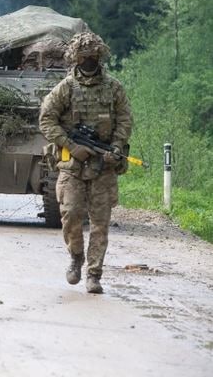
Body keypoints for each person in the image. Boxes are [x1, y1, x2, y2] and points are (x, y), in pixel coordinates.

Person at [39, 32, 133, 294]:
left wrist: (116, 146)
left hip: (104, 165)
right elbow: (46, 120)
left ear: (100, 56)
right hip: (72, 166)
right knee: (70, 215)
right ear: (75, 58)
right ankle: (76, 256)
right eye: (83, 57)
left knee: (100, 223)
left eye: (93, 56)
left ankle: (94, 274)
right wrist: (71, 146)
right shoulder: (66, 88)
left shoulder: (114, 88)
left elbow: (125, 120)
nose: (89, 61)